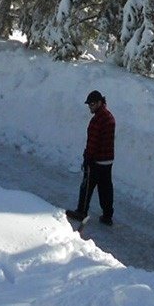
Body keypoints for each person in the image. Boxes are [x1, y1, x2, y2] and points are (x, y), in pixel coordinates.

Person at [67, 90, 114, 227]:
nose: (90, 107)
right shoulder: (109, 117)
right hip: (108, 160)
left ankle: (82, 211)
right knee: (105, 188)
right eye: (89, 105)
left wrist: (88, 157)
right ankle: (107, 215)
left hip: (97, 160)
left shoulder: (98, 120)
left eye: (92, 104)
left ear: (100, 102)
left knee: (87, 186)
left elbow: (93, 142)